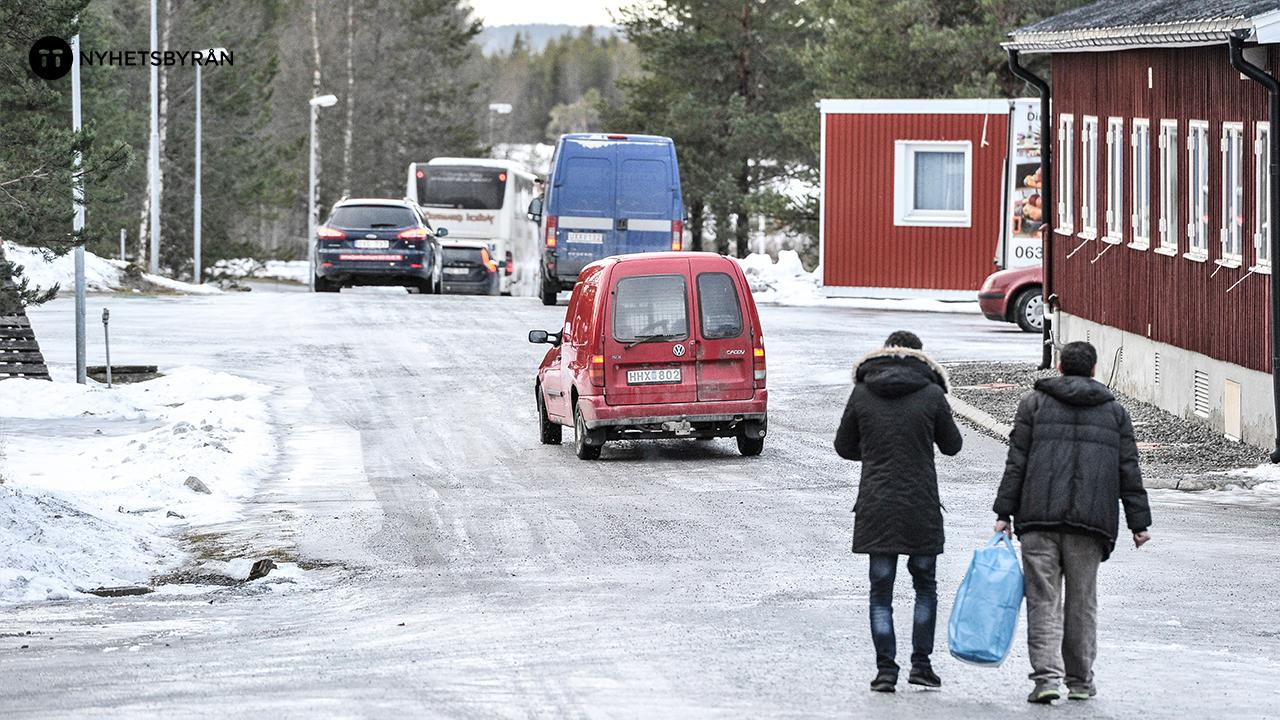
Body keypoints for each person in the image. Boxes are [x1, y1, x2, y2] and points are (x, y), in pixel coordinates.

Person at [993, 341, 1152, 704]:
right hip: (1090, 524)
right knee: (1082, 604)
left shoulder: (1033, 403)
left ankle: (1046, 679)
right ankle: (1080, 682)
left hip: (1038, 519)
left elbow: (1016, 461)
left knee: (1042, 601)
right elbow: (1128, 469)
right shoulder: (1115, 413)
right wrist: (1138, 523)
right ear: (1093, 370)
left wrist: (1004, 514)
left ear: (1060, 367)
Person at [834, 330, 963, 693]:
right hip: (920, 504)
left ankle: (885, 671)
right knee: (925, 586)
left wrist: (875, 453)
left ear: (884, 353)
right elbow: (952, 446)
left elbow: (844, 446)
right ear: (921, 357)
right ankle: (921, 666)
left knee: (881, 592)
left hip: (877, 503)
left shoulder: (862, 392)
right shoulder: (932, 393)